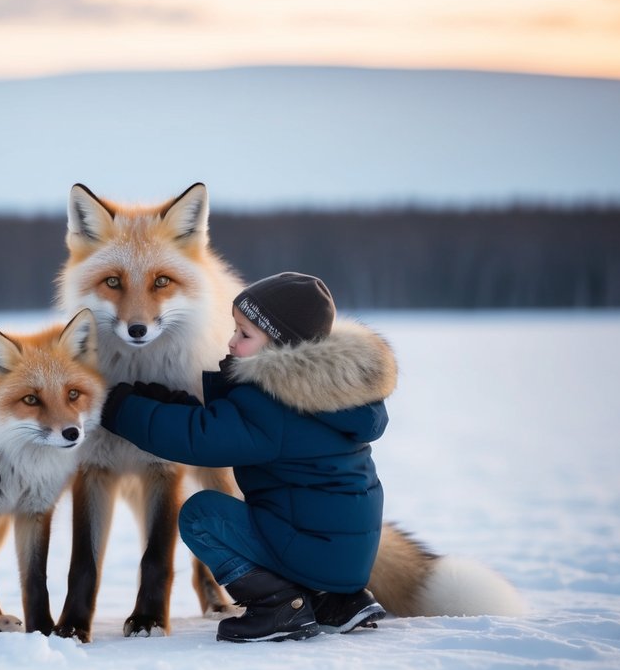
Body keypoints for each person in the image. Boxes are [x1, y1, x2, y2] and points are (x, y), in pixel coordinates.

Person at [98, 272, 397, 642]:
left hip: (313, 550)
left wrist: (120, 409)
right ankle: (334, 600)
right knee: (284, 514)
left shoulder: (274, 402)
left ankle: (280, 606)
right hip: (344, 558)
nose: (231, 341)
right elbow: (227, 423)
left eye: (244, 334)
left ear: (281, 347)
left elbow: (199, 438)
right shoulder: (329, 392)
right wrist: (171, 402)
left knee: (202, 514)